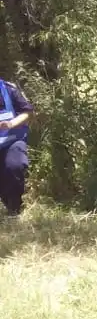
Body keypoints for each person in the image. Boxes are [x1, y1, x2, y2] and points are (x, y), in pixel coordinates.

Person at [0, 79, 32, 216]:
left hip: (13, 141)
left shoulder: (8, 89)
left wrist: (11, 124)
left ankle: (14, 209)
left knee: (14, 165)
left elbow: (28, 112)